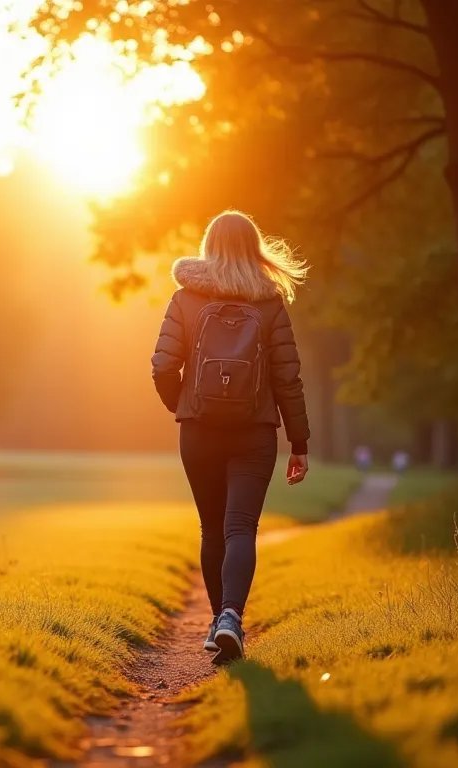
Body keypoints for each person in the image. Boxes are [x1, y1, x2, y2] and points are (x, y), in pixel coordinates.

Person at [150, 210, 311, 664]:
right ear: (253, 249)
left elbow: (162, 366)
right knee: (241, 528)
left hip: (198, 432)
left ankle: (219, 620)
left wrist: (182, 405)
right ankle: (230, 619)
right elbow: (288, 379)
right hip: (254, 434)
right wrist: (299, 442)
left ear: (209, 247)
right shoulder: (270, 303)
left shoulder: (185, 298)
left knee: (211, 528)